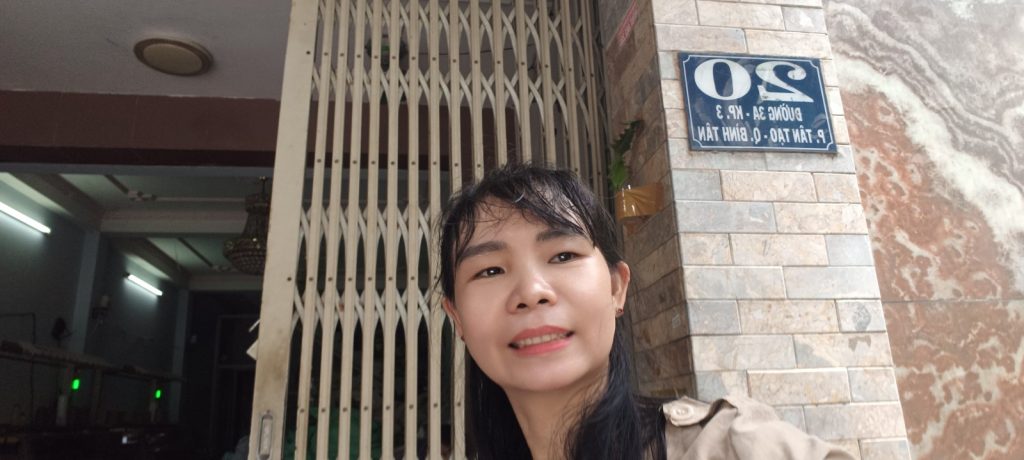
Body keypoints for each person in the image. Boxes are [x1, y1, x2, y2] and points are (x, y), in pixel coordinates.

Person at [439, 163, 853, 460]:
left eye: (563, 255)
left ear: (617, 288)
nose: (531, 292)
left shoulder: (727, 445)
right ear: (457, 318)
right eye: (490, 270)